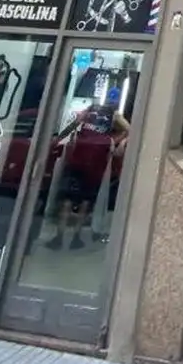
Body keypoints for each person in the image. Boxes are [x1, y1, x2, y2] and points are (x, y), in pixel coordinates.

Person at [46, 87, 130, 250]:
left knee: (68, 199)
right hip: (97, 163)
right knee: (85, 201)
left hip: (78, 157)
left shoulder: (91, 109)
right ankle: (76, 238)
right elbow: (129, 129)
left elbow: (74, 124)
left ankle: (59, 237)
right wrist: (113, 141)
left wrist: (58, 138)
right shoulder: (114, 115)